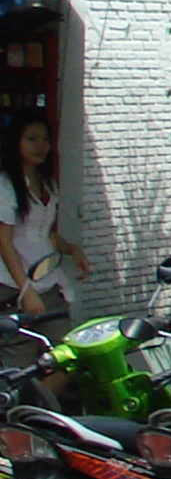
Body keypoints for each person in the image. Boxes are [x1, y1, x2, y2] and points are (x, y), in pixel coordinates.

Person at [1, 117, 85, 331]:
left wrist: (71, 249)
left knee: (61, 350)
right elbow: (4, 242)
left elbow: (44, 231)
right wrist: (25, 290)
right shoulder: (6, 185)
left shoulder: (46, 181)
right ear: (16, 142)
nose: (40, 146)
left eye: (45, 140)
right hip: (13, 285)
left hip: (48, 279)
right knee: (22, 355)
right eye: (31, 139)